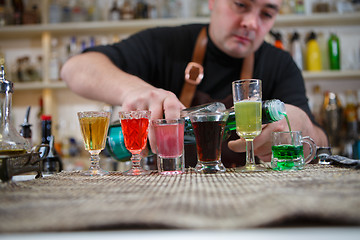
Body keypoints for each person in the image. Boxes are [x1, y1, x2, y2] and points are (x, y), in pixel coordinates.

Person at [61, 0, 328, 167]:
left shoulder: (280, 64)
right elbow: (75, 69)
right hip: (165, 202)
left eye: (267, 13)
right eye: (240, 4)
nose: (251, 23)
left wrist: (299, 124)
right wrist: (134, 89)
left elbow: (321, 141)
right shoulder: (166, 44)